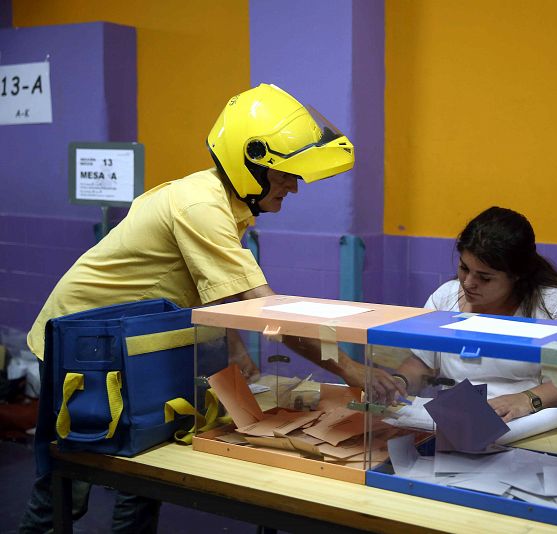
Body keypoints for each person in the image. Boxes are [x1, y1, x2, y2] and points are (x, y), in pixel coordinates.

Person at [19, 84, 399, 533]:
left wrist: (238, 358)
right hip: (80, 345)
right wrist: (352, 371)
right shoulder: (201, 206)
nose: (294, 187)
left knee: (143, 471)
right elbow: (264, 310)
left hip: (135, 342)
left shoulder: (222, 204)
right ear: (249, 166)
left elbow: (217, 295)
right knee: (67, 484)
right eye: (284, 176)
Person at [393, 206, 557, 422]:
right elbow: (423, 362)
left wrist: (526, 400)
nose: (469, 283)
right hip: (458, 423)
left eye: (485, 277)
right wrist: (399, 382)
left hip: (530, 422)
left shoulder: (553, 306)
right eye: (464, 268)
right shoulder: (445, 298)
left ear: (516, 275)